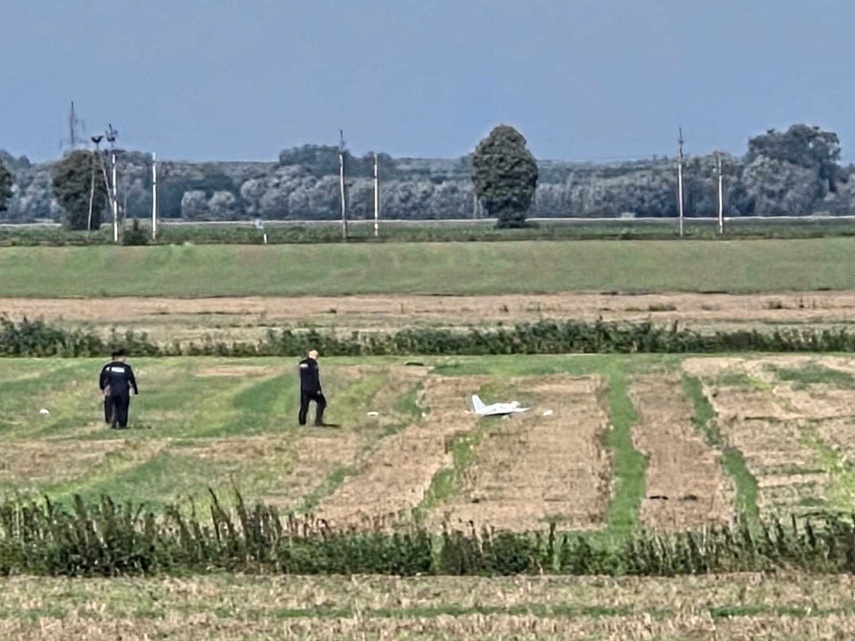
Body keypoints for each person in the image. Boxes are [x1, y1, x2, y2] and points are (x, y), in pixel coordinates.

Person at [99, 349, 139, 429]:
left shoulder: (107, 368)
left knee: (110, 406)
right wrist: (135, 389)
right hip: (123, 390)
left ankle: (110, 421)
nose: (125, 359)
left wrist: (103, 388)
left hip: (111, 391)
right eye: (124, 357)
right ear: (119, 357)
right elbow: (131, 379)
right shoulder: (126, 368)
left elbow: (102, 378)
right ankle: (122, 424)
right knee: (123, 407)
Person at [298, 349, 327, 426]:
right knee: (322, 402)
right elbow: (315, 377)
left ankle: (302, 423)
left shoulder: (302, 363)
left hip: (304, 388)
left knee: (304, 406)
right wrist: (318, 389)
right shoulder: (314, 364)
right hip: (313, 388)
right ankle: (318, 421)